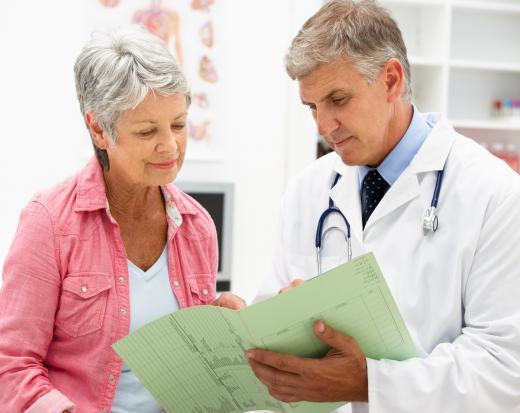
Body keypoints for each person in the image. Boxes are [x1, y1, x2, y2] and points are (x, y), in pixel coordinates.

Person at [247, 1, 520, 412]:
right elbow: (277, 319)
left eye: (337, 99)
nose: (323, 127)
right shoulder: (309, 190)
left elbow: (505, 368)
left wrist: (372, 384)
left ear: (391, 80)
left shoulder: (494, 194)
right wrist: (254, 329)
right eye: (312, 107)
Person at [0, 27, 244, 413]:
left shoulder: (197, 226)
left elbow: (184, 365)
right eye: (148, 131)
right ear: (99, 129)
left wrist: (223, 333)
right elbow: (11, 366)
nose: (170, 146)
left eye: (178, 125)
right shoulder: (48, 223)